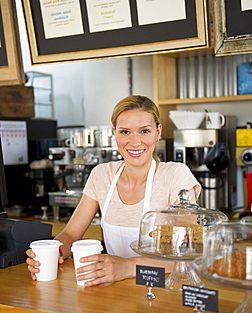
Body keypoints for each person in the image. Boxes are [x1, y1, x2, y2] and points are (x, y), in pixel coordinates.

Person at [26, 95, 201, 286]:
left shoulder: (176, 175)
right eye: (125, 132)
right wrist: (53, 252)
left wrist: (126, 267)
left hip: (164, 290)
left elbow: (187, 251)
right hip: (113, 292)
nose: (135, 142)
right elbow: (70, 235)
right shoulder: (102, 174)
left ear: (158, 132)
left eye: (144, 131)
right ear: (114, 132)